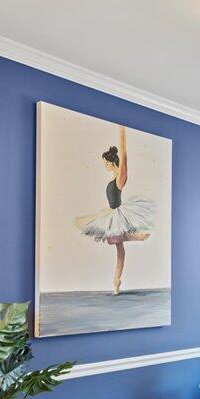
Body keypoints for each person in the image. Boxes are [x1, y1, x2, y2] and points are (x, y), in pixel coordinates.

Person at [73, 126, 155, 294]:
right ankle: (116, 281)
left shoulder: (120, 177)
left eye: (107, 164)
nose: (105, 166)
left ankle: (139, 237)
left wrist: (122, 130)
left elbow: (124, 154)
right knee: (119, 250)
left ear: (113, 163)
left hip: (118, 214)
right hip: (111, 213)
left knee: (119, 241)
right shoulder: (112, 178)